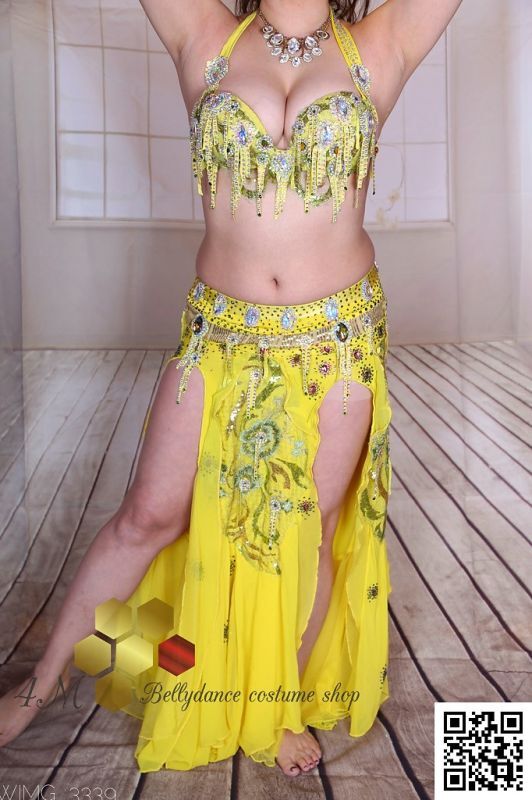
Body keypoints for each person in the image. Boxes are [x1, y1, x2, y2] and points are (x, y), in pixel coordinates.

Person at [0, 0, 463, 778]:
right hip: (219, 336)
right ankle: (38, 688)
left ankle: (278, 706)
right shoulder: (204, 32)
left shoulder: (380, 44)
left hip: (336, 343)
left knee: (308, 528)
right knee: (147, 516)